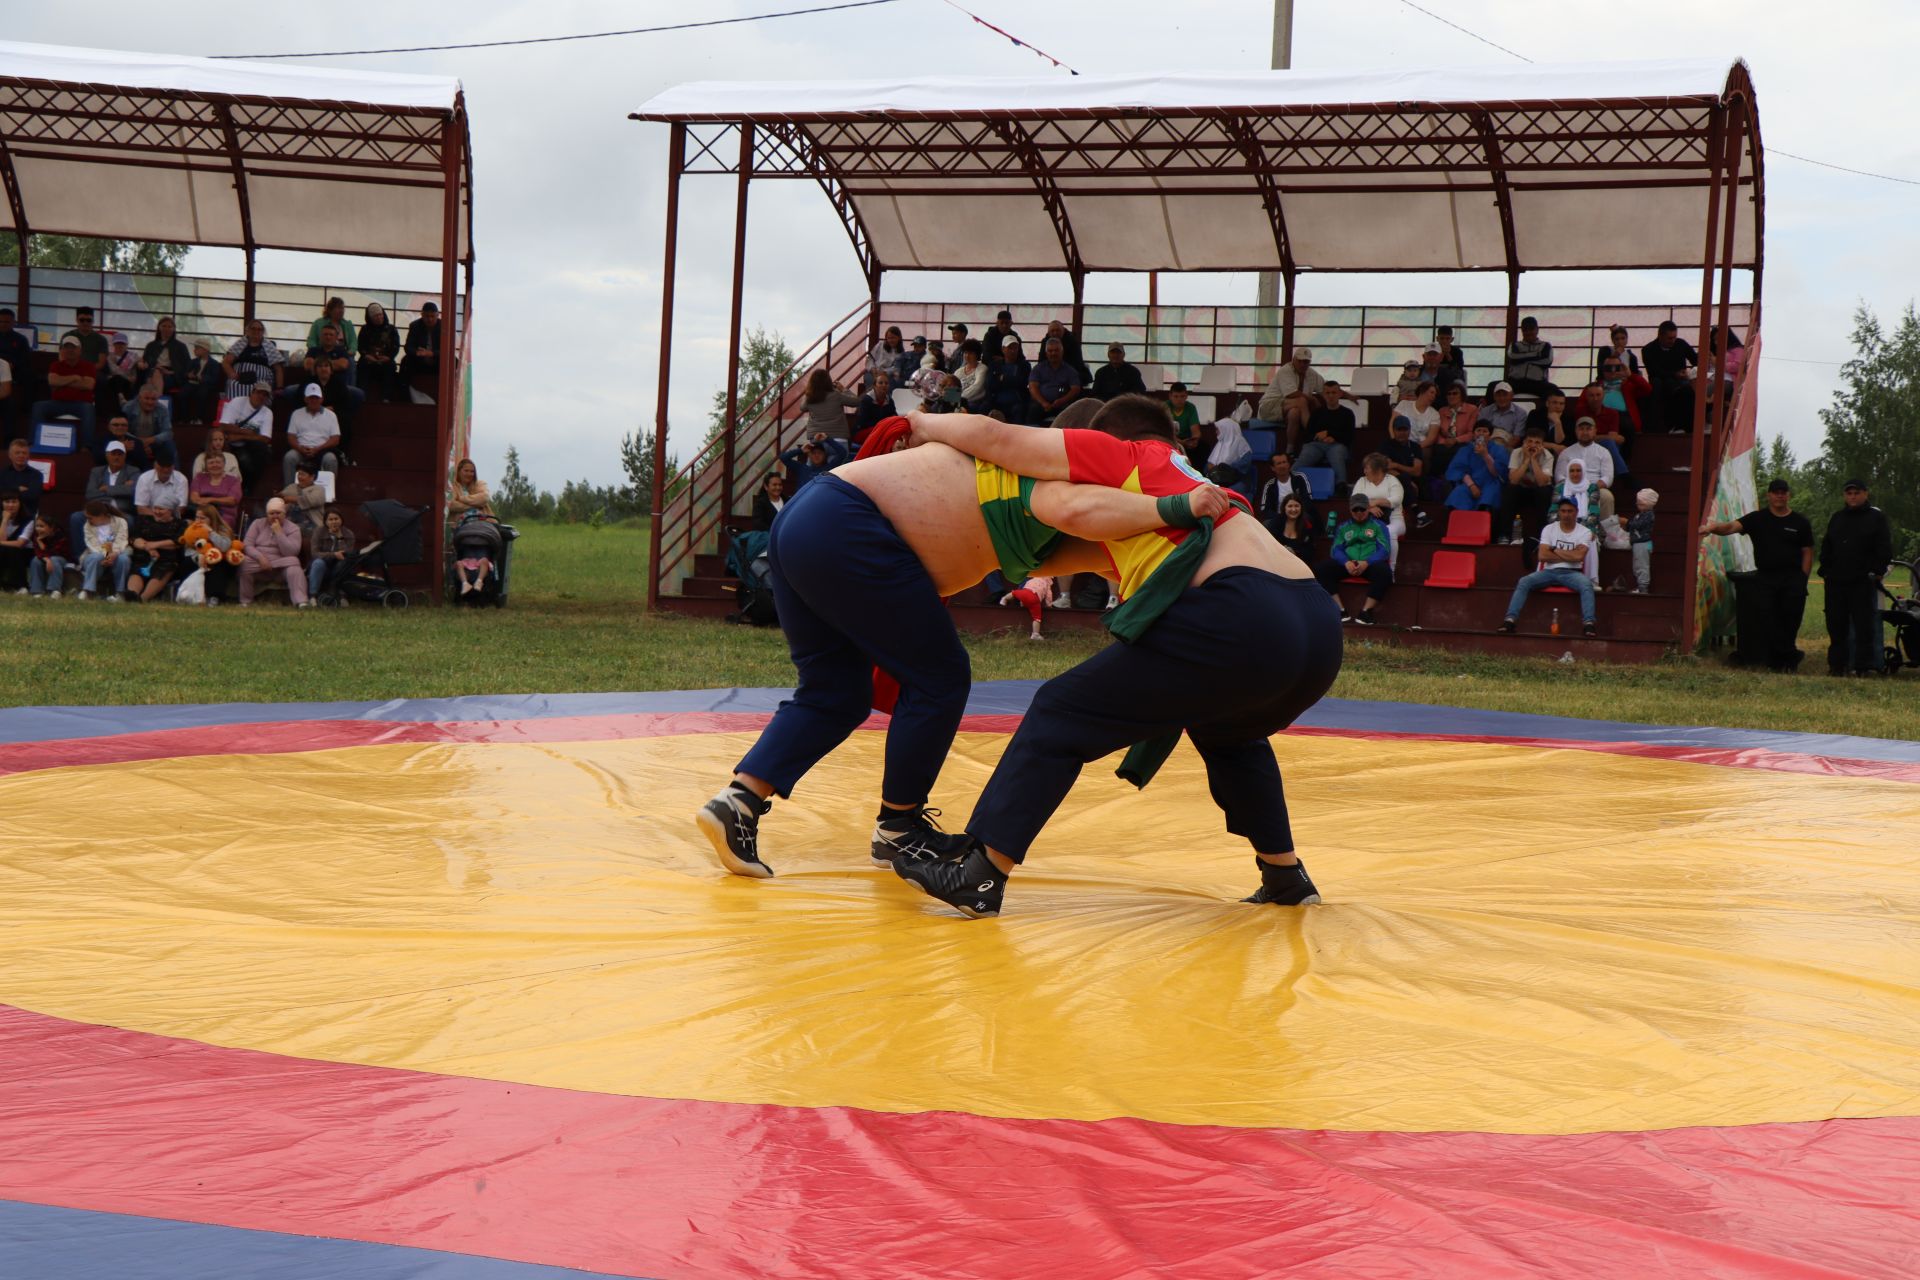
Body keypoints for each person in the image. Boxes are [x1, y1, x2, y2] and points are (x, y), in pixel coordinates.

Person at [692, 405, 1239, 885]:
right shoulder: (1048, 473)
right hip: (845, 523)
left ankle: (739, 802)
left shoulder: (1043, 495)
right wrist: (1176, 510)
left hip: (807, 521)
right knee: (941, 677)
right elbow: (1052, 488)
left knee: (835, 691)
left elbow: (1095, 550)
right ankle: (899, 827)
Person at [890, 397, 1340, 917]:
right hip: (1316, 627)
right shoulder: (1194, 486)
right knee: (1229, 733)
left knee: (1060, 710)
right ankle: (1285, 875)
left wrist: (918, 422)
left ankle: (980, 874)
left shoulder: (1126, 455)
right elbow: (1071, 553)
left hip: (1245, 615)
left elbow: (997, 438)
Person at [1700, 478, 1813, 671]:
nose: (1779, 495)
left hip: (1792, 579)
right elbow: (1730, 527)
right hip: (1766, 578)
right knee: (1767, 619)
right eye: (1775, 492)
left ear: (1788, 496)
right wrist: (1711, 528)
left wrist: (1803, 578)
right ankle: (1774, 659)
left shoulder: (1800, 522)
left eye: (1783, 492)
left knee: (1790, 619)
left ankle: (1787, 661)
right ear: (1768, 495)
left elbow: (1808, 551)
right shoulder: (1757, 519)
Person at [1817, 479, 1894, 676]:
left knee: (1864, 626)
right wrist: (1825, 569)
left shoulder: (1876, 518)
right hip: (1836, 581)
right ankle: (1837, 665)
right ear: (1845, 496)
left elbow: (1884, 547)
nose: (1853, 497)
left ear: (1865, 494)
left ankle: (1862, 666)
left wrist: (1877, 570)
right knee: (1836, 624)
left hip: (1862, 580)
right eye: (1849, 493)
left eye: (1856, 493)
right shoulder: (1837, 518)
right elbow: (1827, 545)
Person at [1500, 497, 1599, 637]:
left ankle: (1589, 624)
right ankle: (1509, 620)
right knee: (1524, 581)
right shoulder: (1549, 529)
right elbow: (1542, 556)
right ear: (1559, 512)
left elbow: (1579, 557)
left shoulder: (1584, 532)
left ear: (1576, 512)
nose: (1566, 514)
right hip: (1548, 571)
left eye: (1570, 511)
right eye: (1563, 511)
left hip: (1572, 572)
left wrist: (1554, 550)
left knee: (1586, 585)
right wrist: (1570, 554)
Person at [1314, 489, 1392, 625]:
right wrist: (1346, 562)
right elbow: (1335, 549)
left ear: (1368, 508)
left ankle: (1366, 612)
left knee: (1385, 573)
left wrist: (1367, 562)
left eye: (1362, 509)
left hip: (1369, 564)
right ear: (1350, 510)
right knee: (1321, 569)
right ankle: (1339, 609)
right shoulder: (1343, 527)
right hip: (1348, 563)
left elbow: (1384, 550)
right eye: (1355, 510)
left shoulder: (1379, 526)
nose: (1359, 513)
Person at [70, 438, 139, 556]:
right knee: (76, 517)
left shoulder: (133, 471)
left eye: (120, 454)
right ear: (107, 455)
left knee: (130, 521)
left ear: (125, 456)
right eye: (113, 454)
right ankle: (80, 558)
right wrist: (121, 488)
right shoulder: (97, 471)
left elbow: (133, 491)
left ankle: (118, 555)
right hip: (97, 510)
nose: (116, 457)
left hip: (120, 511)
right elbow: (90, 493)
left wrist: (107, 488)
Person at [240, 497, 310, 607]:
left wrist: (279, 533)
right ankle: (246, 601)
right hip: (259, 564)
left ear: (284, 514)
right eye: (271, 513)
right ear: (267, 514)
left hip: (281, 566)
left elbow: (292, 552)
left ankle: (301, 601)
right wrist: (260, 558)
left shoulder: (293, 528)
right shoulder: (257, 524)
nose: (275, 516)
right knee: (244, 563)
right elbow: (247, 545)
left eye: (278, 513)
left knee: (294, 566)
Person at [1495, 427, 1554, 551]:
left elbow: (1542, 482)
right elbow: (1514, 479)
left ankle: (1542, 537)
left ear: (1542, 445)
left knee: (1545, 491)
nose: (1533, 445)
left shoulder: (1548, 456)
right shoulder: (1517, 453)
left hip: (1538, 492)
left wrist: (1534, 460)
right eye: (1530, 441)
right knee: (1509, 489)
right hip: (1521, 491)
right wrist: (1527, 459)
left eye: (1537, 443)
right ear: (1524, 443)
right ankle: (1504, 535)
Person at [30, 336, 98, 442]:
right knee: (38, 406)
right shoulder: (55, 365)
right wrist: (74, 378)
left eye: (73, 347)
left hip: (81, 404)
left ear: (80, 350)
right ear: (62, 350)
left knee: (89, 409)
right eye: (66, 347)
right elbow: (52, 381)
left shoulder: (89, 366)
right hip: (58, 403)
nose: (70, 350)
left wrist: (62, 382)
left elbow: (88, 385)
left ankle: (87, 446)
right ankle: (34, 441)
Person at [1255, 348, 1323, 452]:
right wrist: (1312, 399)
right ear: (1293, 359)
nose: (1302, 364)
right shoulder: (1285, 370)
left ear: (1309, 362)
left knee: (1294, 413)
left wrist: (1348, 395)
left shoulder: (1312, 374)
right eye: (1299, 361)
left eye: (1305, 362)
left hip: (1288, 409)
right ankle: (1312, 437)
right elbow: (1291, 393)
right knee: (1301, 401)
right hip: (1268, 407)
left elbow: (1327, 388)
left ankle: (1289, 450)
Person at [1553, 416, 1618, 518]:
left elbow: (1607, 478)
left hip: (1595, 487)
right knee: (1559, 492)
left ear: (1595, 431)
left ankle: (1606, 531)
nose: (1585, 432)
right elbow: (1559, 476)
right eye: (1581, 429)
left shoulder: (1604, 452)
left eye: (1588, 429)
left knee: (1607, 496)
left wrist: (1591, 488)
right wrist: (1574, 487)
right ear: (1576, 431)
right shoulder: (1566, 452)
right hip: (1570, 488)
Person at [1349, 452, 1406, 568]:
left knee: (1388, 531)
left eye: (1367, 468)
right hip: (1367, 519)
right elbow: (1354, 500)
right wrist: (1369, 508)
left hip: (1394, 520)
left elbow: (1396, 500)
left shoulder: (1392, 481)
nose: (1364, 471)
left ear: (1378, 469)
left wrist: (1376, 502)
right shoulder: (1362, 481)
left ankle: (1391, 568)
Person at [1641, 320, 1698, 433]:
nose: (1673, 341)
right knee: (1658, 386)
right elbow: (1653, 371)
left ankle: (1688, 427)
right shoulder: (1648, 350)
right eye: (1669, 338)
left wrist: (1693, 372)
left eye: (1674, 337)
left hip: (1680, 380)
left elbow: (1696, 360)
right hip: (1660, 381)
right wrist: (1674, 374)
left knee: (1689, 391)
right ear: (1660, 336)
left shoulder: (1681, 344)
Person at [218, 380, 276, 488]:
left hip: (248, 445)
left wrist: (239, 436)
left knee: (263, 451)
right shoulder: (237, 402)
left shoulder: (267, 412)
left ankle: (248, 488)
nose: (261, 397)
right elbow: (223, 426)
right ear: (252, 392)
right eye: (259, 393)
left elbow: (265, 438)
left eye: (265, 395)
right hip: (229, 443)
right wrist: (247, 432)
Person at [1443, 421, 1508, 514]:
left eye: (1485, 431)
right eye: (1478, 430)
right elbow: (1459, 470)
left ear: (1490, 435)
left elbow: (1498, 473)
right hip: (1470, 483)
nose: (1481, 433)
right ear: (1474, 434)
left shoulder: (1498, 449)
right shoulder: (1465, 450)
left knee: (1489, 497)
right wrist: (1472, 486)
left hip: (1490, 483)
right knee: (1458, 494)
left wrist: (1485, 455)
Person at [1296, 380, 1355, 481]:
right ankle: (1288, 481)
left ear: (1340, 394)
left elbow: (1349, 437)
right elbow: (1307, 435)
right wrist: (1319, 437)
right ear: (1323, 395)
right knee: (1305, 455)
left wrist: (1331, 435)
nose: (1331, 396)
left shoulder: (1348, 413)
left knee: (1337, 454)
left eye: (1334, 392)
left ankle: (1341, 485)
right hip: (1316, 445)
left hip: (1338, 445)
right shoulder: (1316, 413)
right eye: (1327, 393)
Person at [283, 384, 341, 484]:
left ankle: (329, 494)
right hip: (301, 450)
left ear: (321, 399)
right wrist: (300, 448)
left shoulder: (331, 415)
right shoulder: (296, 413)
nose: (314, 400)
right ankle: (289, 490)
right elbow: (291, 437)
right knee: (289, 457)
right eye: (311, 398)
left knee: (331, 459)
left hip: (322, 450)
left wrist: (318, 449)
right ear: (306, 399)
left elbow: (335, 438)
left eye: (316, 398)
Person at [76, 499, 132, 600]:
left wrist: (114, 554)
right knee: (96, 557)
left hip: (117, 554)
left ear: (102, 515)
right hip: (96, 554)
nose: (88, 520)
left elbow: (122, 540)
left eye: (90, 518)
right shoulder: (87, 526)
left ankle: (120, 593)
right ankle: (88, 590)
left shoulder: (120, 522)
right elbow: (93, 545)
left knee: (123, 559)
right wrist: (106, 556)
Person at [129, 503, 185, 603]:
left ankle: (143, 599)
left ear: (170, 510)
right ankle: (132, 595)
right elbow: (134, 539)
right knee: (136, 569)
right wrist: (148, 548)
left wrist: (154, 545)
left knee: (163, 569)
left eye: (161, 509)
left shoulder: (180, 524)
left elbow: (177, 543)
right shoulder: (143, 520)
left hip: (166, 559)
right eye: (155, 508)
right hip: (144, 555)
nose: (157, 512)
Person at [1382, 414, 1428, 528]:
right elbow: (1387, 469)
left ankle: (1418, 514)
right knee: (1403, 480)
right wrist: (1407, 480)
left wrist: (1397, 465)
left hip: (1414, 482)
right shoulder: (1386, 446)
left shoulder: (1415, 447)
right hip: (1393, 482)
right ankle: (1418, 513)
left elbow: (1417, 471)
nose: (1402, 433)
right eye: (1399, 429)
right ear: (1393, 430)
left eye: (1405, 429)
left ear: (1409, 430)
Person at [223, 320, 286, 399]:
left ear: (263, 332)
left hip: (262, 380)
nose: (256, 331)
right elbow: (226, 362)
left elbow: (278, 369)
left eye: (259, 329)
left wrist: (279, 387)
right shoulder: (240, 343)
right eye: (253, 329)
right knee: (233, 385)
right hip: (240, 378)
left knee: (261, 389)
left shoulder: (269, 346)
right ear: (248, 331)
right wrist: (232, 374)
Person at [1495, 315, 1556, 398]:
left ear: (1537, 330)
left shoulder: (1545, 345)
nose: (1528, 332)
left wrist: (1523, 358)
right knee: (1492, 386)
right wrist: (1537, 355)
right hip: (1515, 383)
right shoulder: (1515, 345)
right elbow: (1513, 357)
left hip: (1537, 383)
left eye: (1531, 329)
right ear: (1522, 331)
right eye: (1525, 330)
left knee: (1555, 392)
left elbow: (1547, 361)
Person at [1028, 336, 1083, 424]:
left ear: (1062, 352)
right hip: (1041, 404)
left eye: (1056, 350)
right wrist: (1043, 402)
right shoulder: (1038, 368)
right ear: (1046, 353)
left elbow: (1075, 389)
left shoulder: (1070, 370)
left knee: (1073, 414)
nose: (1053, 353)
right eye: (1050, 351)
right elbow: (1032, 387)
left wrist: (1062, 400)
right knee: (1033, 411)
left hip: (1063, 404)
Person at [355, 302, 402, 402]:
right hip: (369, 360)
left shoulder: (391, 329)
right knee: (362, 366)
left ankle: (386, 398)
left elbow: (396, 346)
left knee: (391, 367)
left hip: (386, 360)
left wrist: (389, 357)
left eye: (380, 315)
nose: (379, 317)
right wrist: (366, 355)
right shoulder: (365, 329)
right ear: (370, 318)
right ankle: (362, 397)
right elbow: (360, 346)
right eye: (376, 316)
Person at [135, 317, 192, 398]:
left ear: (174, 329)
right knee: (154, 373)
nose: (166, 329)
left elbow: (187, 367)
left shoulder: (181, 346)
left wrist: (170, 372)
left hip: (172, 375)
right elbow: (145, 362)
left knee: (153, 377)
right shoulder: (151, 345)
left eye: (169, 326)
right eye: (164, 326)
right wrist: (141, 364)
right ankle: (157, 400)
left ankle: (151, 401)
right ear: (159, 327)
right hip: (152, 371)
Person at [307, 507, 355, 600]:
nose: (334, 522)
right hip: (323, 564)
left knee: (344, 564)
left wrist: (340, 538)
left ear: (341, 520)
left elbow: (347, 555)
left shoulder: (348, 534)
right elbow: (315, 553)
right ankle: (313, 596)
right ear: (326, 522)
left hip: (338, 567)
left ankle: (341, 596)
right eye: (330, 519)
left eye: (336, 519)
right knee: (318, 563)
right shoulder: (319, 532)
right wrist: (333, 555)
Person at [1258, 452, 1312, 533]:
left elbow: (1308, 500)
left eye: (1284, 462)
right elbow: (1265, 509)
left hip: (1298, 514)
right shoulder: (1269, 485)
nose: (1282, 466)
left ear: (1289, 464)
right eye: (1279, 463)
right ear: (1273, 468)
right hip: (1278, 517)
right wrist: (1282, 517)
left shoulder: (1300, 478)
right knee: (1266, 524)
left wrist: (1294, 514)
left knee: (1307, 519)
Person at [1430, 382, 1478, 473]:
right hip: (1444, 443)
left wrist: (1456, 440)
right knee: (1439, 450)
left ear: (1462, 395)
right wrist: (1444, 442)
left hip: (1462, 442)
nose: (1451, 396)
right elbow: (1439, 430)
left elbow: (1472, 433)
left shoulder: (1472, 409)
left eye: (1455, 393)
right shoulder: (1442, 410)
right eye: (1449, 394)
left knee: (1458, 451)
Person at [778, 432, 850, 490]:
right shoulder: (802, 468)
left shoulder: (830, 468)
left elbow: (842, 453)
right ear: (809, 455)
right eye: (813, 453)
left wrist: (827, 439)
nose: (816, 455)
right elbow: (783, 458)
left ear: (825, 455)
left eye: (819, 453)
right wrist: (800, 450)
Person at [799, 369, 860, 438]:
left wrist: (808, 393)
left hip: (816, 436)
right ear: (828, 381)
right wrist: (843, 389)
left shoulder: (810, 397)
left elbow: (802, 408)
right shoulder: (836, 395)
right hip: (838, 435)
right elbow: (856, 402)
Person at [191, 451, 244, 528]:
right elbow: (194, 498)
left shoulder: (234, 480)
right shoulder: (199, 477)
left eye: (218, 462)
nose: (215, 465)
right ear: (206, 465)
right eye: (211, 463)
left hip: (223, 515)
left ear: (224, 464)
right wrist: (205, 505)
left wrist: (210, 500)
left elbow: (232, 500)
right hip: (201, 513)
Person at [133, 444, 188, 516]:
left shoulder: (181, 479)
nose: (166, 470)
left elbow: (181, 508)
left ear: (173, 466)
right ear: (155, 465)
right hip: (150, 517)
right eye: (162, 466)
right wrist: (159, 516)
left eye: (168, 466)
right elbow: (141, 508)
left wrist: (166, 517)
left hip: (172, 518)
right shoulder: (144, 478)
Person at [121, 384, 174, 458]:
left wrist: (149, 440)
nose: (150, 402)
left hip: (154, 443)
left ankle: (173, 469)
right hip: (133, 442)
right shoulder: (128, 407)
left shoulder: (162, 409)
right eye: (147, 398)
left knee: (169, 445)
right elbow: (122, 430)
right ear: (139, 398)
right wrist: (139, 442)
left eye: (153, 399)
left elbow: (168, 433)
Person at [181, 338, 225, 425]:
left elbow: (214, 378)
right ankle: (184, 418)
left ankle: (198, 417)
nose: (194, 350)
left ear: (205, 350)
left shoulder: (214, 364)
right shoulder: (193, 362)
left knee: (201, 393)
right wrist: (188, 375)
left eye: (197, 348)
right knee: (183, 393)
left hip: (206, 385)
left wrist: (203, 378)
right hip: (192, 383)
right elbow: (185, 373)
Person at [1390, 381, 1441, 456]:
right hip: (1399, 442)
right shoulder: (1404, 404)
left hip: (1420, 446)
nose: (1433, 396)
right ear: (1422, 391)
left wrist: (1413, 448)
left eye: (1435, 395)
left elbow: (1431, 439)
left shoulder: (1434, 414)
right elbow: (1392, 425)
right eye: (1431, 392)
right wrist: (1395, 442)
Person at [26, 510, 69, 597]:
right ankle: (36, 590)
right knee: (35, 560)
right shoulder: (36, 535)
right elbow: (37, 551)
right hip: (46, 558)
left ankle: (54, 590)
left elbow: (55, 552)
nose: (38, 529)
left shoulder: (60, 536)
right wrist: (39, 541)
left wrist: (48, 558)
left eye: (41, 526)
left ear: (51, 527)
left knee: (54, 559)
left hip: (61, 558)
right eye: (37, 526)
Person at [0, 436, 44, 522]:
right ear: (10, 455)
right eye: (17, 453)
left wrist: (7, 492)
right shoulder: (2, 473)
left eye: (24, 453)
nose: (21, 455)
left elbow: (32, 497)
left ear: (28, 455)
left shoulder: (36, 475)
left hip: (27, 515)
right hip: (2, 514)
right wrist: (17, 489)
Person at [989, 337, 1032, 422]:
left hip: (1017, 401)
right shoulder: (994, 365)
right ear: (1003, 349)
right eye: (1010, 348)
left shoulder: (1024, 365)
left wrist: (1003, 378)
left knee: (1019, 410)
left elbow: (1022, 383)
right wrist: (1012, 380)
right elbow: (990, 384)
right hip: (997, 401)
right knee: (985, 407)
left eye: (1015, 348)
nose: (1013, 351)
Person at [999, 574, 1054, 641]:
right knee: (1037, 618)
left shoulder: (1032, 580)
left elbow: (1026, 586)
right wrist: (1049, 605)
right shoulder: (1047, 584)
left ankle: (1004, 599)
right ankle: (1035, 634)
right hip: (1035, 599)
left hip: (1025, 593)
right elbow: (1049, 596)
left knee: (1014, 593)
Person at [279, 461, 327, 534]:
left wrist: (290, 499)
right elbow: (281, 498)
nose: (299, 477)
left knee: (292, 530)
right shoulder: (291, 487)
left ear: (312, 477)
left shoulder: (319, 489)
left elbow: (311, 500)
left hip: (311, 523)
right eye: (299, 474)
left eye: (303, 474)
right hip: (290, 521)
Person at [403, 302, 441, 393]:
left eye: (432, 316)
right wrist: (419, 353)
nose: (430, 319)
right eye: (427, 316)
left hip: (437, 360)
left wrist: (431, 353)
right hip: (420, 360)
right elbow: (408, 347)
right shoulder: (415, 326)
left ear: (437, 315)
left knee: (454, 361)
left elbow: (448, 351)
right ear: (422, 315)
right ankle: (404, 392)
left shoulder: (444, 327)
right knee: (405, 361)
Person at [1476, 381, 1528, 446]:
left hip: (1508, 446)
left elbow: (1516, 438)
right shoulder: (1485, 411)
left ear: (1512, 396)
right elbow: (1479, 433)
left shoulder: (1521, 413)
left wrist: (1501, 451)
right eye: (1498, 395)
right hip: (1486, 444)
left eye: (1505, 395)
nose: (1502, 398)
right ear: (1494, 397)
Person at [1627, 488, 1659, 596]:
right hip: (1637, 543)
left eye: (1641, 503)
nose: (1638, 504)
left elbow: (1637, 525)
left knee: (1642, 565)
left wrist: (1627, 523)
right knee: (1637, 565)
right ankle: (1640, 585)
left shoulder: (1649, 515)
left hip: (1643, 543)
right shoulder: (1639, 515)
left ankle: (1643, 587)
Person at [852, 372, 895, 442]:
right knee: (882, 432)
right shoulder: (866, 400)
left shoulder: (890, 401)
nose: (884, 385)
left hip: (881, 431)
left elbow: (893, 416)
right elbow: (863, 423)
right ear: (874, 386)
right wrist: (882, 426)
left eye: (886, 383)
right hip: (863, 432)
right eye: (880, 383)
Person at [1272, 494, 1315, 562]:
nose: (1293, 509)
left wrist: (1295, 553)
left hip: (1300, 563)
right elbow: (1271, 546)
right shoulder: (1276, 522)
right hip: (1277, 561)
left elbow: (1310, 551)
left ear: (1301, 507)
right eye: (1290, 506)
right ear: (1284, 508)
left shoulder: (1307, 524)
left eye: (1296, 506)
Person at [0, 493, 28, 592]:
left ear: (20, 504)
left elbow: (20, 543)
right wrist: (5, 520)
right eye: (7, 502)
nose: (10, 505)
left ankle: (21, 586)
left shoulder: (28, 520)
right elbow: (2, 539)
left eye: (14, 502)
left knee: (12, 549)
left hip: (24, 551)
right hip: (4, 550)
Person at [952, 341, 990, 413]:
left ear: (977, 355)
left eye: (971, 353)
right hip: (958, 401)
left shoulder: (982, 368)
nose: (967, 355)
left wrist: (957, 398)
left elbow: (977, 387)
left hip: (975, 402)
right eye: (965, 352)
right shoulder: (958, 371)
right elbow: (952, 387)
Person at [1431, 325, 1467, 392]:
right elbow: (1428, 367)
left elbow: (1459, 369)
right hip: (1435, 377)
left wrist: (1447, 354)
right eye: (1442, 338)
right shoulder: (1432, 350)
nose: (1444, 341)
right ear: (1437, 338)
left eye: (1447, 338)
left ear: (1452, 339)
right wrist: (1442, 354)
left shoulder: (1457, 351)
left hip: (1452, 377)